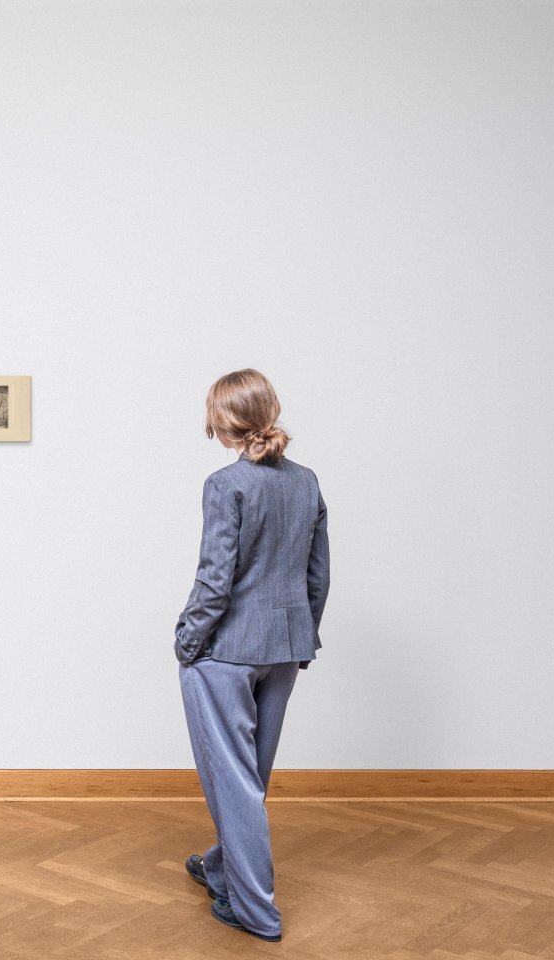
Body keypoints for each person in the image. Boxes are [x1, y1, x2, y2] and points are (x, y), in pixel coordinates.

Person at [174, 368, 330, 942]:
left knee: (234, 781)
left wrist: (188, 641)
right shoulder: (307, 481)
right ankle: (220, 868)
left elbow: (215, 580)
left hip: (226, 650)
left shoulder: (226, 484)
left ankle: (254, 910)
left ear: (224, 422)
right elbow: (318, 575)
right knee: (251, 778)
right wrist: (302, 638)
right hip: (283, 649)